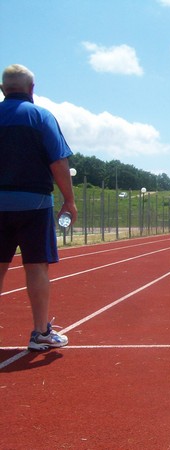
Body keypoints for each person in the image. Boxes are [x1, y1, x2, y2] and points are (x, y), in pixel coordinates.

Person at [0, 64, 77, 351]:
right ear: (32, 89)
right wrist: (68, 200)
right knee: (36, 267)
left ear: (3, 89)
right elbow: (58, 162)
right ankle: (41, 332)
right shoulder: (40, 116)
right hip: (34, 204)